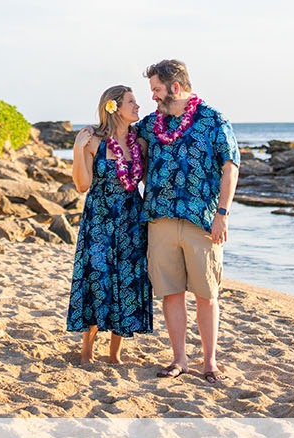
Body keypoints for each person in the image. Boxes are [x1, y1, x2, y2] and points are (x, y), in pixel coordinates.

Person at [135, 58, 239, 384]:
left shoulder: (213, 121)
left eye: (156, 89)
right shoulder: (152, 125)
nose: (152, 96)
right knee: (171, 292)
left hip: (202, 222)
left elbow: (230, 166)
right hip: (160, 220)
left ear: (175, 87)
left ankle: (210, 362)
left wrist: (222, 214)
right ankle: (179, 358)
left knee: (207, 294)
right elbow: (120, 137)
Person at [66, 84, 154, 363]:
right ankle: (86, 352)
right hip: (100, 220)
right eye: (132, 102)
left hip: (131, 220)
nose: (138, 106)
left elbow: (147, 181)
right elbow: (82, 185)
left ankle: (115, 354)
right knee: (97, 279)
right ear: (113, 106)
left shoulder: (139, 144)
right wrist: (79, 151)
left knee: (126, 280)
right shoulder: (92, 140)